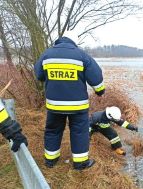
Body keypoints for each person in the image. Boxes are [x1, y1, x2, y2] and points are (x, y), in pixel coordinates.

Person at [34, 30, 105, 170]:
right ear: (74, 42)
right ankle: (80, 163)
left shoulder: (47, 54)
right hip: (77, 106)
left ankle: (50, 160)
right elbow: (96, 78)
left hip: (54, 105)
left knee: (53, 130)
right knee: (79, 131)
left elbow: (39, 75)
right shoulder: (82, 56)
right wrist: (100, 90)